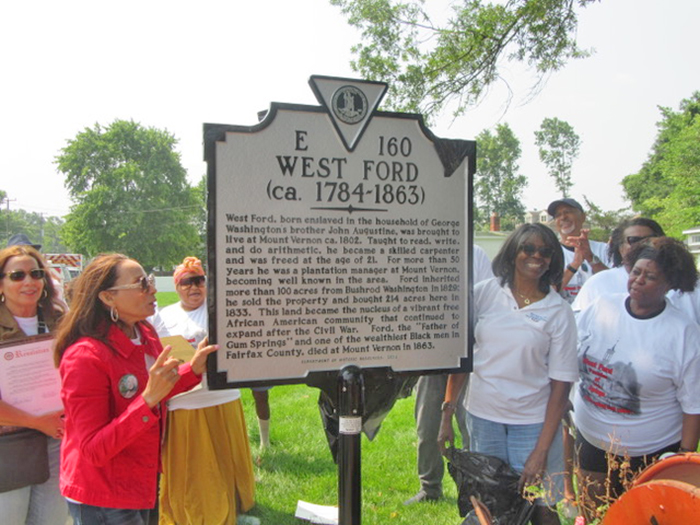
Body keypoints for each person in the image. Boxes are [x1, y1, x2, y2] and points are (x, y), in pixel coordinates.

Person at [53, 253, 218, 525]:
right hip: (103, 494)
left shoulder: (145, 332)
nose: (153, 289)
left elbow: (156, 388)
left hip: (142, 478)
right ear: (107, 298)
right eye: (142, 284)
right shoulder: (84, 357)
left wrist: (194, 369)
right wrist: (148, 400)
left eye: (150, 281)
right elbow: (93, 449)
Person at [438, 224, 578, 525]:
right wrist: (447, 414)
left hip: (533, 423)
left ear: (553, 259)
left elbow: (561, 386)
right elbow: (463, 359)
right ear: (514, 251)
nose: (537, 256)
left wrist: (541, 451)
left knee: (541, 502)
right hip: (482, 418)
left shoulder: (558, 311)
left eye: (546, 251)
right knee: (487, 502)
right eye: (529, 248)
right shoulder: (483, 294)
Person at [572, 237, 700, 520]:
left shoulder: (683, 333)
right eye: (636, 272)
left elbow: (694, 406)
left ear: (670, 284)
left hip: (651, 454)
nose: (638, 280)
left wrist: (682, 457)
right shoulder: (602, 306)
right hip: (591, 440)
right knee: (595, 514)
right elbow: (571, 349)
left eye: (650, 276)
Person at [152, 257, 256, 525]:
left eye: (199, 280)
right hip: (185, 399)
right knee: (192, 466)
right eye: (186, 282)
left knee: (224, 457)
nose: (194, 287)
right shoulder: (163, 317)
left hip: (221, 395)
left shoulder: (221, 309)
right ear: (176, 287)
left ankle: (235, 503)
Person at [404, 245, 493, 505]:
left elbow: (485, 302)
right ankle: (429, 488)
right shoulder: (421, 250)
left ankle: (474, 491)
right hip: (432, 355)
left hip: (468, 355)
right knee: (427, 426)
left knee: (469, 427)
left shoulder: (475, 253)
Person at [0, 245, 68, 525]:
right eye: (17, 276)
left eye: (36, 273)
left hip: (57, 441)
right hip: (9, 447)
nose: (28, 282)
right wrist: (37, 421)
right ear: (1, 284)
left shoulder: (62, 321)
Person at [572, 217, 700, 323]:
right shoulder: (598, 284)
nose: (643, 245)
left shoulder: (692, 288)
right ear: (620, 248)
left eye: (650, 239)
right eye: (634, 240)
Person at [547, 198, 609, 303]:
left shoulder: (605, 249)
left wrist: (590, 257)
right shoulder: (549, 253)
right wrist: (574, 264)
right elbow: (546, 294)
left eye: (568, 212)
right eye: (557, 215)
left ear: (583, 217)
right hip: (564, 317)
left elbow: (614, 283)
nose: (563, 217)